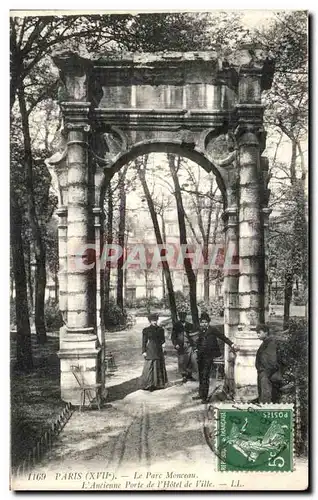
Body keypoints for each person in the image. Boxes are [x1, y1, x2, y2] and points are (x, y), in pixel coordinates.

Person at [192, 312, 238, 404]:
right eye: (202, 322)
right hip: (200, 356)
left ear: (208, 322)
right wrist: (196, 349)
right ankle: (201, 394)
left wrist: (231, 344)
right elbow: (197, 341)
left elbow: (222, 337)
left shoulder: (213, 330)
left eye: (205, 322)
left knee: (205, 375)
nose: (203, 324)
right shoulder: (201, 331)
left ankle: (204, 397)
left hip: (209, 356)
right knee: (201, 376)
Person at [255, 324, 283, 403]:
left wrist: (266, 372)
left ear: (266, 332)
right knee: (263, 396)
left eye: (259, 332)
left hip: (267, 374)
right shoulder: (265, 342)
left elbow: (272, 361)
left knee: (266, 398)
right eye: (257, 333)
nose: (258, 335)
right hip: (263, 373)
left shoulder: (271, 343)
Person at [141, 313, 168, 391]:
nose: (155, 322)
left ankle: (158, 384)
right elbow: (144, 341)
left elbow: (163, 340)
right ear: (150, 321)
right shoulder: (146, 330)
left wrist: (163, 348)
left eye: (156, 320)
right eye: (153, 320)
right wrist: (143, 351)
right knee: (150, 367)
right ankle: (149, 385)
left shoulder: (160, 329)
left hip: (158, 350)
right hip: (150, 349)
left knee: (158, 366)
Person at [171, 311, 198, 383]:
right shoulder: (176, 325)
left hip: (189, 345)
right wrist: (175, 344)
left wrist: (194, 345)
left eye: (183, 316)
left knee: (190, 360)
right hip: (180, 345)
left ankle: (189, 375)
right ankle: (184, 376)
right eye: (181, 316)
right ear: (179, 317)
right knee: (182, 361)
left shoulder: (189, 325)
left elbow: (193, 335)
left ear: (185, 317)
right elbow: (173, 336)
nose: (182, 318)